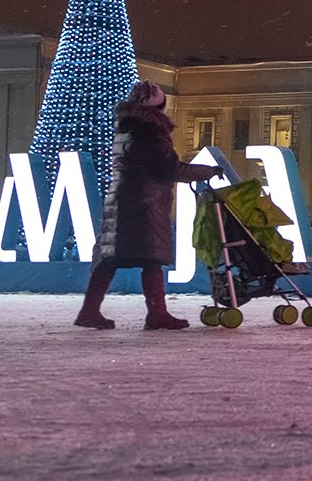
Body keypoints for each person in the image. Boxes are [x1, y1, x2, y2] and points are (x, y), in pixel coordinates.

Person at [74, 81, 222, 331]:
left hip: (121, 198)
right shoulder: (151, 131)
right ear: (159, 106)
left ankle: (89, 311)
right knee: (150, 259)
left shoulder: (125, 129)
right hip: (145, 202)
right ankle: (157, 314)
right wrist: (206, 172)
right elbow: (170, 168)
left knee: (110, 258)